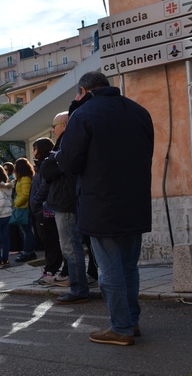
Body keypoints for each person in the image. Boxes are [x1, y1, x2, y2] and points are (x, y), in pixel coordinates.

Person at [55, 71, 154, 346]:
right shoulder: (139, 111)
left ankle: (120, 327)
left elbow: (70, 163)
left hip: (101, 203)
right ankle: (131, 322)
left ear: (84, 91)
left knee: (109, 269)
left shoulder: (84, 115)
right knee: (128, 267)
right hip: (135, 202)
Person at [42, 110, 93, 304]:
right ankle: (79, 287)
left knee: (71, 247)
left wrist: (49, 163)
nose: (53, 130)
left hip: (67, 202)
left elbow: (47, 169)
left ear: (63, 126)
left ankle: (79, 289)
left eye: (54, 126)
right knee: (71, 246)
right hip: (66, 200)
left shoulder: (68, 143)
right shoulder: (65, 143)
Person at [29, 138, 65, 284]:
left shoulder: (47, 166)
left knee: (51, 243)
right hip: (40, 211)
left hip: (46, 211)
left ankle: (52, 270)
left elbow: (45, 187)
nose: (33, 152)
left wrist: (35, 201)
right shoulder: (39, 167)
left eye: (35, 148)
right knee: (47, 242)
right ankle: (50, 268)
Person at [13, 158, 37, 262]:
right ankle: (29, 251)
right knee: (26, 231)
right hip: (23, 207)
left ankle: (28, 251)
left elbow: (25, 195)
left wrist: (16, 203)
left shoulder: (25, 179)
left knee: (27, 231)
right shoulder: (24, 178)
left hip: (23, 207)